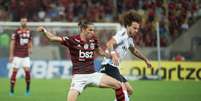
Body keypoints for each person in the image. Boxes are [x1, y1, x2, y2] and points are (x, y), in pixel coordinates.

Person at [36, 20, 126, 101]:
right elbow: (52, 38)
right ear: (83, 29)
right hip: (79, 77)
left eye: (93, 30)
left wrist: (111, 56)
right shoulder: (72, 40)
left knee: (118, 84)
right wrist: (44, 31)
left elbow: (100, 52)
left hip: (93, 74)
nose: (93, 32)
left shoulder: (93, 40)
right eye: (90, 30)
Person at [100, 10, 152, 101]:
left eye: (137, 29)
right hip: (109, 66)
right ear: (128, 26)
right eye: (134, 28)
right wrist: (113, 55)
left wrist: (145, 59)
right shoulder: (122, 33)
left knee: (129, 91)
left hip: (114, 68)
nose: (136, 31)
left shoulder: (129, 38)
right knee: (123, 92)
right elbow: (109, 43)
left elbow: (134, 51)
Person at [9, 17, 32, 96]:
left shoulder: (29, 31)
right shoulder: (16, 32)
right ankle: (12, 90)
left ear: (27, 22)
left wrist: (30, 48)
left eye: (25, 21)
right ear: (20, 22)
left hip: (26, 56)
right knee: (14, 72)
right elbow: (12, 43)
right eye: (22, 21)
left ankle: (27, 90)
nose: (24, 22)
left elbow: (29, 41)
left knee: (28, 72)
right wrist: (11, 55)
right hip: (17, 55)